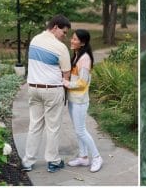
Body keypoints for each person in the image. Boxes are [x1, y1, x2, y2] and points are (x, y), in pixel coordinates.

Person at [22, 14, 71, 173]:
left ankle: (28, 161)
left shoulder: (35, 39)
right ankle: (53, 161)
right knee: (53, 127)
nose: (64, 36)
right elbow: (66, 74)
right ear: (55, 27)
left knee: (34, 125)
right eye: (64, 32)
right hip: (51, 90)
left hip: (33, 89)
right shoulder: (60, 47)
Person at [63, 29, 103, 173]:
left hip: (80, 100)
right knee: (78, 130)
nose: (71, 41)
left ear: (83, 42)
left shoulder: (85, 58)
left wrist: (66, 83)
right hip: (73, 100)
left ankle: (97, 157)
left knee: (81, 131)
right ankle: (84, 157)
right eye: (72, 38)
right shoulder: (77, 55)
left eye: (75, 39)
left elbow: (82, 82)